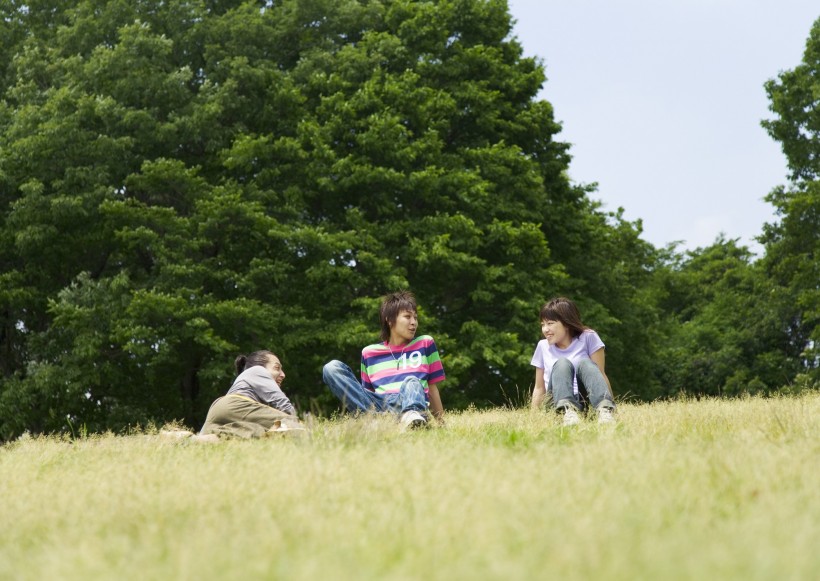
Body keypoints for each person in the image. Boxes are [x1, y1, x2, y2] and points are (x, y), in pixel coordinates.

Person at [322, 290, 445, 429]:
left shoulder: (425, 343)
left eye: (415, 318)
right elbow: (365, 395)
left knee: (412, 381)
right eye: (407, 317)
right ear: (389, 320)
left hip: (412, 402)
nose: (413, 322)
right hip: (381, 407)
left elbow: (432, 389)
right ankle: (374, 420)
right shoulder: (369, 353)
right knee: (331, 368)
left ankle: (412, 418)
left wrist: (442, 424)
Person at [530, 297, 616, 426]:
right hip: (556, 403)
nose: (545, 329)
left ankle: (604, 411)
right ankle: (566, 412)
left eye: (550, 323)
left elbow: (600, 375)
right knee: (562, 363)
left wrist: (611, 405)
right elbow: (539, 387)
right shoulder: (542, 346)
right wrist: (533, 418)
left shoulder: (588, 337)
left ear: (566, 323)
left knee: (585, 363)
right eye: (543, 324)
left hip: (585, 401)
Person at [199, 350, 301, 439]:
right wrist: (295, 422)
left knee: (235, 436)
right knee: (293, 426)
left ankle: (185, 437)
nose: (283, 375)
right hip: (236, 404)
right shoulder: (258, 370)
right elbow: (282, 403)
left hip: (218, 408)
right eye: (277, 368)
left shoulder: (246, 383)